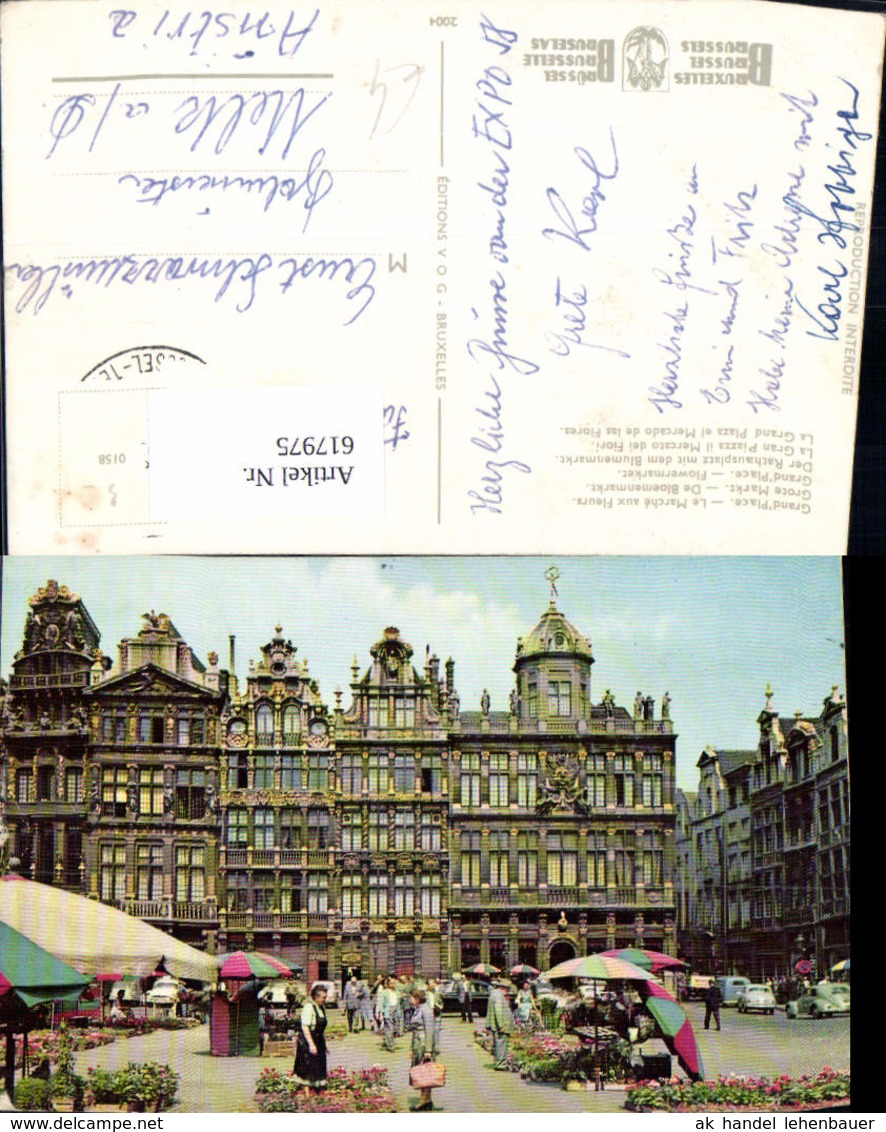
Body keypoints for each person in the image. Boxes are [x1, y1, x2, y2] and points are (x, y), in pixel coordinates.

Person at [292, 984, 328, 1095]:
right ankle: (307, 1093)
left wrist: (325, 1044)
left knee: (318, 1065)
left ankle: (316, 1090)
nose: (324, 1000)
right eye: (323, 998)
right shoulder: (309, 1007)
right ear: (316, 997)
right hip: (308, 1040)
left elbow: (321, 1028)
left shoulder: (321, 1008)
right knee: (308, 1066)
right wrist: (311, 1044)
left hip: (319, 1039)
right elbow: (305, 1027)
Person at [406, 989, 437, 1112]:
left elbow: (430, 1030)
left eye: (412, 998)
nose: (410, 1000)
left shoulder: (426, 1010)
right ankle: (426, 1100)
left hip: (424, 1045)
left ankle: (424, 1100)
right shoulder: (418, 1009)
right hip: (417, 1044)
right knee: (422, 1073)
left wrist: (428, 1050)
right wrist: (411, 1048)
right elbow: (414, 1032)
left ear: (417, 998)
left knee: (425, 1073)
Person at [485, 979, 515, 1069]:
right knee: (501, 1045)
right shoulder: (498, 995)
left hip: (499, 1025)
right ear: (503, 987)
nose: (507, 991)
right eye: (507, 989)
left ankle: (500, 1063)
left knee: (500, 1044)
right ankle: (500, 1064)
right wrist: (501, 1025)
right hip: (501, 1026)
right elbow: (498, 1011)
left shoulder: (495, 994)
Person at [377, 977, 399, 1051]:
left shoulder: (397, 992)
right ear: (388, 984)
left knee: (393, 1028)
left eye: (394, 983)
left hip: (396, 1011)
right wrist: (381, 1013)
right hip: (388, 1011)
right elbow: (381, 1003)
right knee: (390, 1028)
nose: (394, 984)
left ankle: (387, 1041)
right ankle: (391, 1045)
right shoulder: (385, 992)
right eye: (392, 983)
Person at [426, 978, 443, 1056]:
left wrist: (440, 1006)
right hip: (428, 1015)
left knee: (436, 1031)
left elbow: (441, 1001)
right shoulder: (424, 995)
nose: (433, 985)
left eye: (434, 983)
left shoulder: (437, 993)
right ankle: (429, 1048)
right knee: (429, 1032)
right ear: (427, 985)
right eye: (431, 983)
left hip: (437, 1013)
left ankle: (436, 1048)